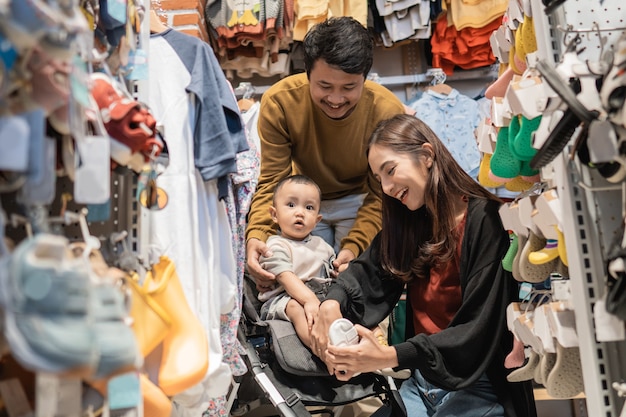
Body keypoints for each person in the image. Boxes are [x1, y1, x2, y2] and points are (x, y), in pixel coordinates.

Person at [310, 114, 537, 417]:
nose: (388, 187)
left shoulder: (488, 219)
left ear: (427, 155)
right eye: (380, 179)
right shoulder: (412, 224)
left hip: (478, 387)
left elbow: (478, 329)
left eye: (390, 171)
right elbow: (365, 273)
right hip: (420, 385)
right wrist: (330, 306)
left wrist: (388, 356)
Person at [245, 16, 406, 293]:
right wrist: (256, 235)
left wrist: (355, 245)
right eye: (324, 86)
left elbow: (381, 195)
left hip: (363, 201)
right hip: (302, 203)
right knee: (298, 287)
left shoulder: (386, 111)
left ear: (365, 80)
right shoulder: (280, 102)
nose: (335, 99)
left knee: (358, 286)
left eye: (348, 88)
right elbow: (273, 181)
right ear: (307, 74)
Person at [258, 175, 336, 351]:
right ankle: (324, 352)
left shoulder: (323, 246)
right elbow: (285, 277)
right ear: (274, 214)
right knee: (295, 307)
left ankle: (372, 347)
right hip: (282, 300)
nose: (300, 212)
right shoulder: (274, 245)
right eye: (291, 205)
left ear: (317, 220)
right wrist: (309, 300)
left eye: (309, 207)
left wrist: (340, 270)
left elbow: (333, 272)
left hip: (320, 297)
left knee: (343, 302)